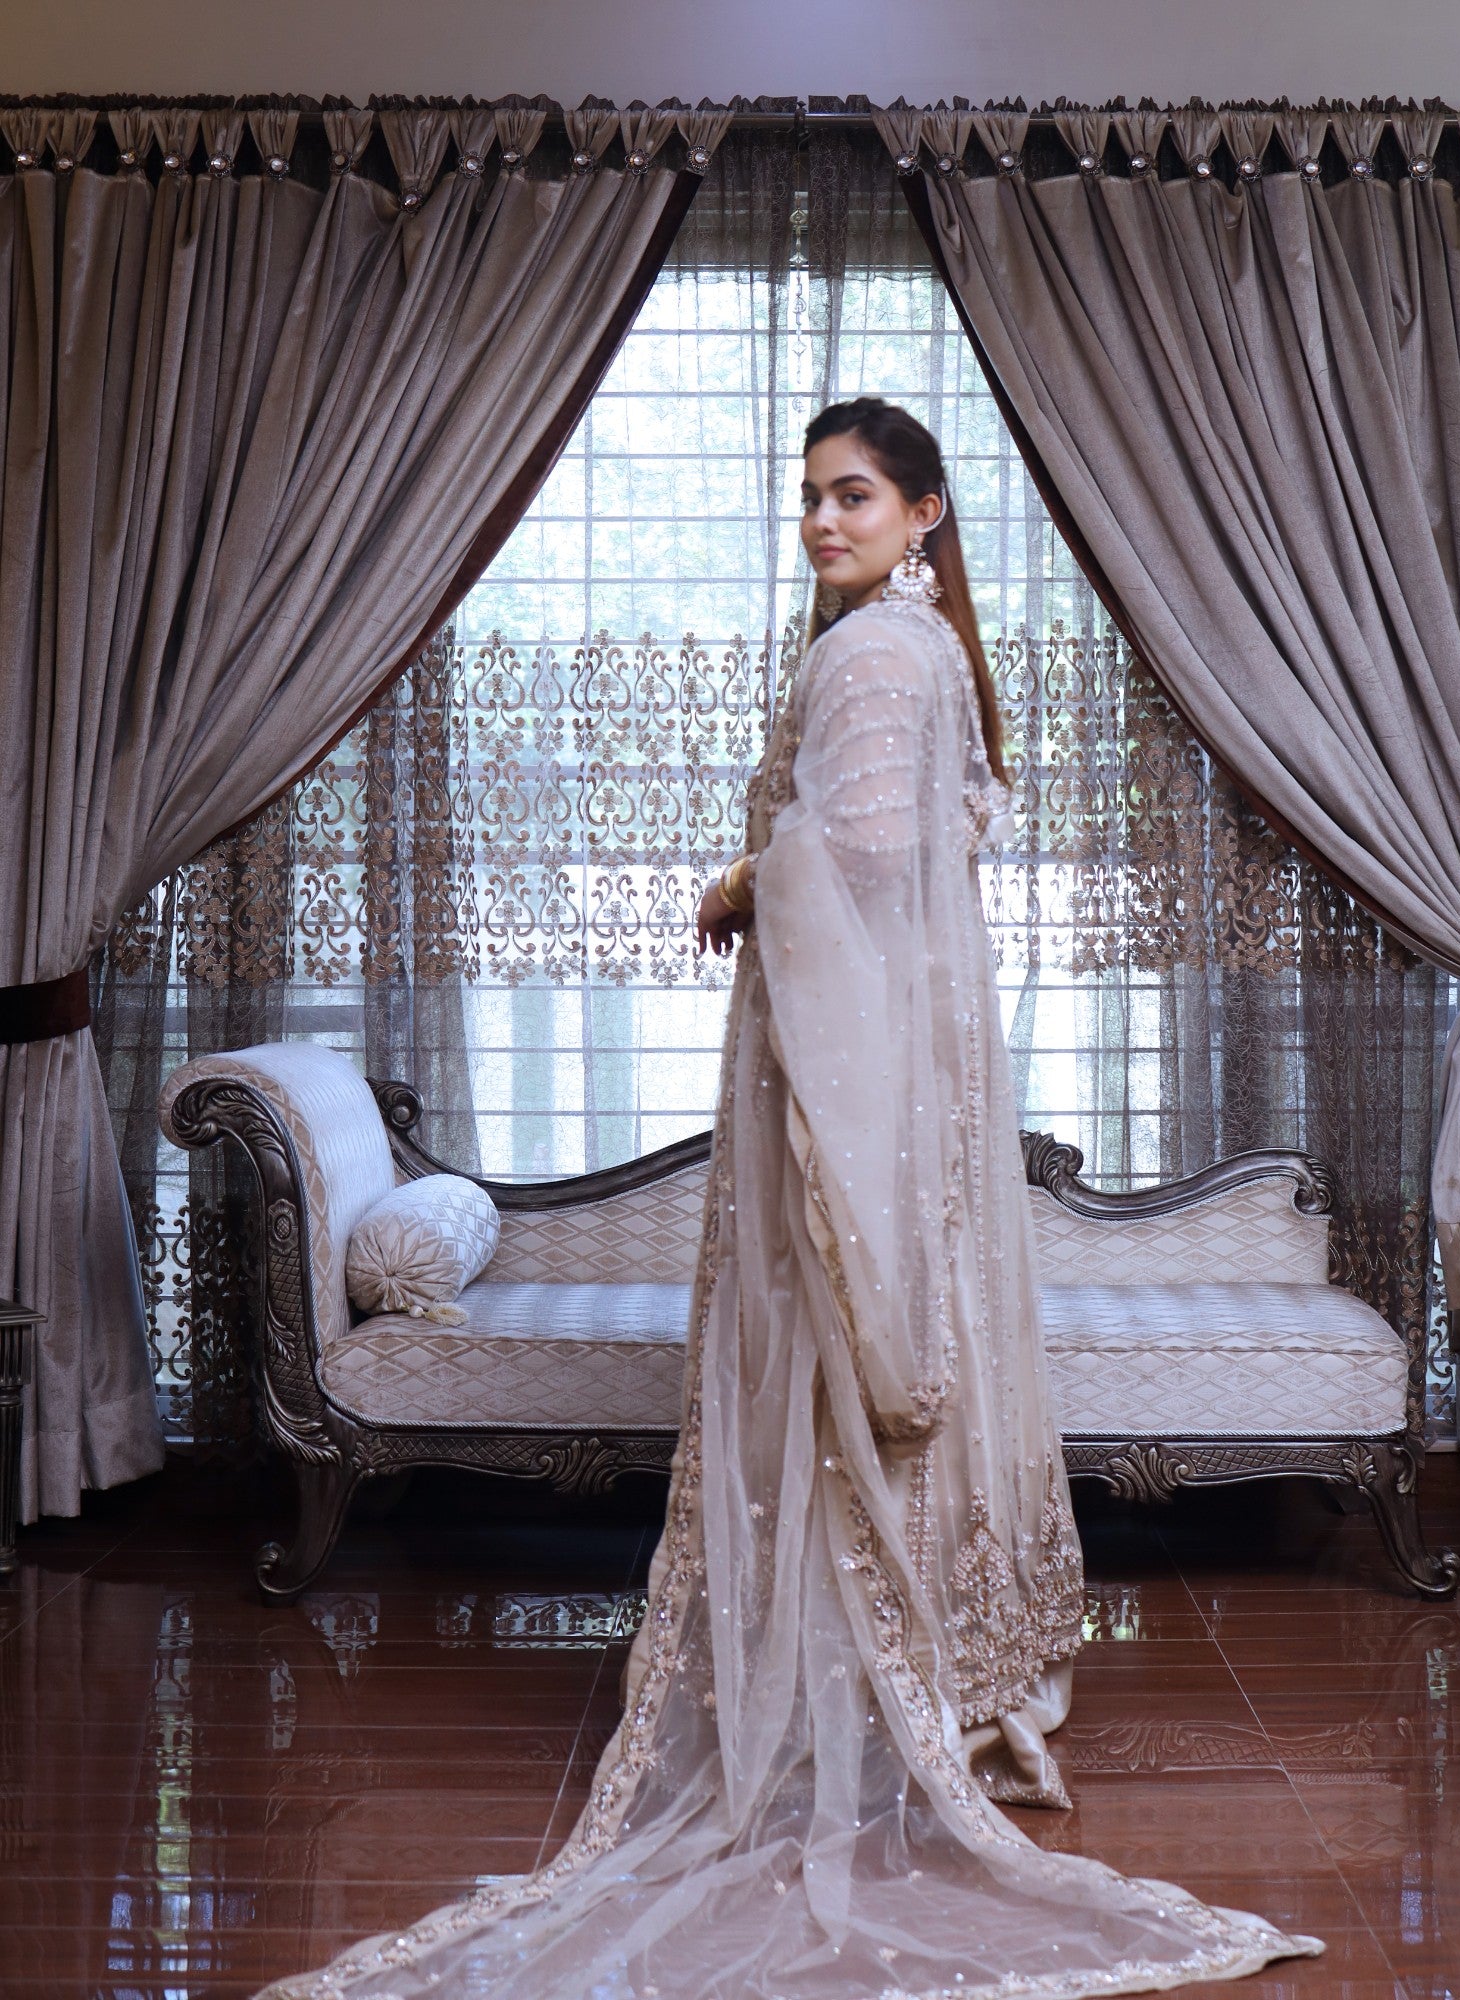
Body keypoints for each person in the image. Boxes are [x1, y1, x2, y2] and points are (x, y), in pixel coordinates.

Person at [260, 400, 1320, 1998]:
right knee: (883, 1361)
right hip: (899, 1076)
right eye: (808, 500)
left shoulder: (875, 658)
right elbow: (941, 847)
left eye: (853, 496)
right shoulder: (931, 653)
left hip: (853, 1073)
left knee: (829, 1366)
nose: (822, 524)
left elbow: (866, 865)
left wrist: (748, 879)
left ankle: (853, 1692)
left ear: (926, 513)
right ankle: (933, 1679)